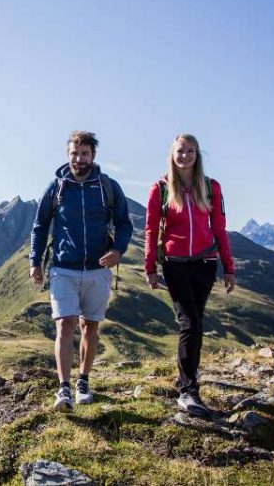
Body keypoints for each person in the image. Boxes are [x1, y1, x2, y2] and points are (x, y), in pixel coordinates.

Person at [30, 130, 132, 411]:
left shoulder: (107, 187)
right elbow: (40, 226)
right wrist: (34, 262)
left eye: (84, 154)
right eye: (74, 153)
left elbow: (124, 222)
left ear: (93, 155)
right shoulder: (56, 187)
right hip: (63, 268)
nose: (79, 159)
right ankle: (63, 389)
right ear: (68, 155)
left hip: (98, 269)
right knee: (65, 324)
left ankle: (83, 381)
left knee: (91, 326)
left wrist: (118, 250)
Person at [143, 133, 236, 415]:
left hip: (205, 264)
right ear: (172, 155)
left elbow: (219, 228)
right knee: (189, 323)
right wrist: (150, 267)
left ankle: (187, 379)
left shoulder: (211, 187)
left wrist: (229, 267)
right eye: (180, 151)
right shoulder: (160, 188)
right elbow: (150, 230)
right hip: (175, 264)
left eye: (190, 151)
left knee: (197, 323)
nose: (185, 156)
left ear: (198, 155)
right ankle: (187, 391)